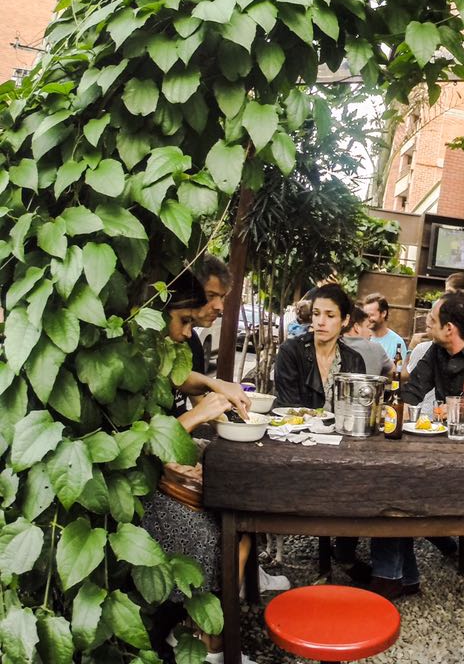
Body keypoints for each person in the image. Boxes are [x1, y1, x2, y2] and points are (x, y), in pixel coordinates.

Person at [144, 274, 284, 664]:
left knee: (241, 494)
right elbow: (130, 447)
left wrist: (214, 385)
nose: (187, 332)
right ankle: (207, 642)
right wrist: (196, 418)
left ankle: (209, 632)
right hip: (141, 493)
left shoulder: (161, 350)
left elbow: (177, 379)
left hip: (162, 471)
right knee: (226, 529)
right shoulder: (139, 354)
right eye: (184, 321)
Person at [370, 292, 464, 596]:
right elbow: (410, 395)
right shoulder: (435, 352)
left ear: (450, 329)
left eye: (432, 319)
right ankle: (395, 577)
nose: (425, 322)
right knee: (392, 477)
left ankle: (393, 577)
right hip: (444, 453)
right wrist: (390, 413)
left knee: (399, 485)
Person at [276, 285, 366, 410]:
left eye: (330, 316)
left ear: (345, 320)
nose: (321, 322)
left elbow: (356, 410)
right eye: (316, 314)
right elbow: (288, 407)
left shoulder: (354, 360)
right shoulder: (291, 351)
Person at [173, 255, 231, 414]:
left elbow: (198, 399)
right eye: (210, 296)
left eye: (222, 297)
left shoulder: (193, 343)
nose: (220, 307)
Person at [342, 305, 393, 378]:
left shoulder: (331, 345)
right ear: (356, 327)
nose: (371, 333)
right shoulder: (376, 348)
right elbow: (398, 374)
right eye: (368, 327)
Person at [361, 292, 405, 362]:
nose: (368, 319)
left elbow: (399, 370)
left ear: (383, 313)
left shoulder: (397, 342)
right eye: (365, 315)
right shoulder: (361, 338)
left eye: (371, 315)